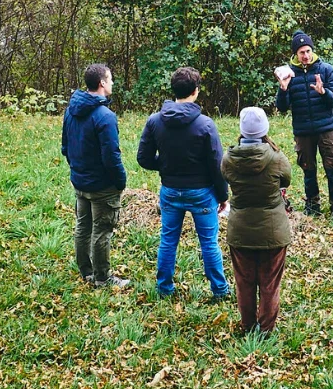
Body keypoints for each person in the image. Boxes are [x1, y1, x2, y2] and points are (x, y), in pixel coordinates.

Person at [137, 67, 230, 301]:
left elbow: (144, 158)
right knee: (209, 243)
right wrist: (223, 196)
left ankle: (164, 288)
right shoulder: (206, 124)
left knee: (168, 240)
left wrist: (166, 165)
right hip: (202, 192)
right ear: (196, 91)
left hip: (170, 191)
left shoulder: (155, 121)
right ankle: (219, 290)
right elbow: (217, 165)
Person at [220, 107, 292, 335]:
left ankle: (248, 326)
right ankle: (266, 330)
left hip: (240, 230)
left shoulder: (228, 159)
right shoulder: (276, 158)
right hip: (273, 231)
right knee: (270, 284)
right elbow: (286, 180)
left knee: (244, 283)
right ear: (265, 129)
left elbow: (225, 177)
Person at [61, 63, 129, 288]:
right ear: (101, 83)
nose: (112, 83)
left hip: (80, 182)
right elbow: (112, 156)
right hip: (101, 186)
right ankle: (102, 278)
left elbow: (65, 147)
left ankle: (86, 271)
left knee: (83, 226)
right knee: (102, 230)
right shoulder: (105, 117)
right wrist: (120, 181)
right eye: (110, 79)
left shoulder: (71, 110)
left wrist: (77, 170)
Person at [275, 31, 333, 218]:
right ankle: (312, 207)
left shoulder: (326, 70)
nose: (305, 56)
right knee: (308, 169)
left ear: (312, 50)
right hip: (303, 130)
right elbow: (282, 107)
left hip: (326, 129)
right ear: (295, 55)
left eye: (308, 51)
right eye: (301, 52)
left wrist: (324, 92)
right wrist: (283, 89)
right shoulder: (288, 74)